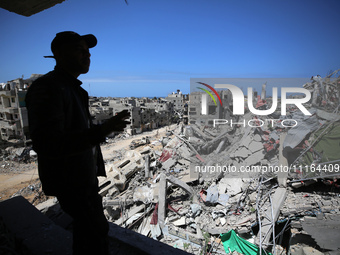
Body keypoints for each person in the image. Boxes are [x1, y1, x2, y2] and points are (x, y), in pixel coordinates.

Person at [25, 31, 130, 255]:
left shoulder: (71, 88)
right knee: (94, 231)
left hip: (82, 177)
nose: (87, 55)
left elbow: (75, 132)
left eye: (88, 51)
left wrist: (101, 130)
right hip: (69, 179)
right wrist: (102, 130)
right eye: (79, 50)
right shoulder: (48, 88)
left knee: (89, 232)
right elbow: (49, 143)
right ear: (59, 54)